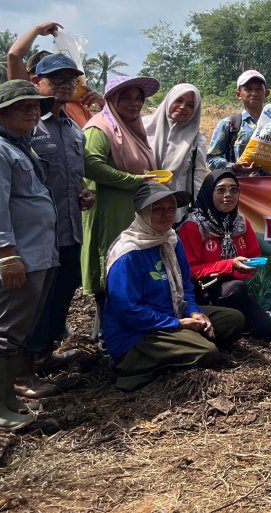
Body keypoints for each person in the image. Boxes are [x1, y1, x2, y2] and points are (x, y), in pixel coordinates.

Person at [103, 182, 245, 391]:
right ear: (142, 213)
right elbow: (129, 311)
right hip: (136, 334)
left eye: (171, 208)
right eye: (158, 209)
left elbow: (184, 285)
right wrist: (178, 325)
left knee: (234, 320)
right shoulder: (128, 254)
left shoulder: (171, 240)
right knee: (208, 353)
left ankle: (185, 343)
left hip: (173, 313)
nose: (167, 214)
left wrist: (194, 312)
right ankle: (132, 366)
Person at [0, 82, 59, 431]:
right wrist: (6, 256)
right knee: (2, 331)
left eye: (36, 105)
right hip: (12, 256)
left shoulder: (20, 147)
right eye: (22, 106)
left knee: (17, 332)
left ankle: (5, 400)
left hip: (34, 254)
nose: (33, 111)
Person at [20, 54, 96, 399]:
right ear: (38, 82)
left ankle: (45, 355)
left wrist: (83, 194)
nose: (65, 85)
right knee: (36, 300)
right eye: (57, 79)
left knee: (63, 293)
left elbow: (74, 177)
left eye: (70, 80)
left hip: (69, 229)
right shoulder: (27, 127)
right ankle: (23, 373)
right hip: (37, 235)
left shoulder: (74, 129)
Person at [81, 76, 163, 342]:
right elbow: (90, 164)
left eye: (138, 98)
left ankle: (123, 330)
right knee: (112, 264)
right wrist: (134, 181)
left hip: (131, 211)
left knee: (129, 268)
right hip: (109, 210)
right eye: (127, 97)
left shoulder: (132, 129)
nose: (134, 103)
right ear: (112, 100)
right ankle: (110, 336)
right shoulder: (100, 128)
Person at [178, 171, 271, 342]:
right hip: (199, 292)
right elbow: (187, 272)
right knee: (237, 288)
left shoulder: (240, 222)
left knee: (267, 332)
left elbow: (253, 255)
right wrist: (228, 266)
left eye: (234, 190)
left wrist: (246, 267)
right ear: (209, 192)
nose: (228, 195)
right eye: (221, 190)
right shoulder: (193, 226)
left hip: (231, 289)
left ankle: (232, 324)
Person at [5, 22, 104, 127]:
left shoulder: (78, 109)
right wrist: (37, 30)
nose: (64, 84)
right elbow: (14, 55)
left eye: (69, 79)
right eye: (55, 77)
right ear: (35, 80)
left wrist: (104, 105)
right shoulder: (28, 108)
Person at [145, 83, 207, 219]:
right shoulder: (142, 127)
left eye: (190, 105)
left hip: (173, 211)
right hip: (141, 205)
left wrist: (199, 212)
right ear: (169, 99)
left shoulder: (197, 140)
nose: (183, 107)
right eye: (179, 100)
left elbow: (197, 179)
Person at [207, 70, 271, 176]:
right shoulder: (229, 124)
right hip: (240, 189)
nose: (254, 93)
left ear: (266, 93)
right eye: (248, 89)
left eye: (259, 89)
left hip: (270, 189)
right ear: (238, 94)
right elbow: (211, 159)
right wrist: (234, 168)